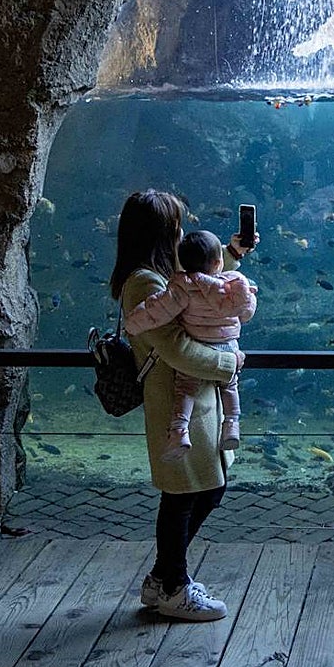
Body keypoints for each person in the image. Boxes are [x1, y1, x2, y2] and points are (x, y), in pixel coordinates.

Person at [109, 189, 258, 622]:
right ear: (160, 232)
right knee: (183, 495)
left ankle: (162, 579)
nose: (181, 232)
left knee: (202, 489)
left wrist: (231, 254)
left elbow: (197, 284)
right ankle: (173, 586)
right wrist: (229, 363)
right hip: (172, 401)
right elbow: (175, 348)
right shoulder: (144, 283)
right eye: (175, 225)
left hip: (195, 400)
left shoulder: (161, 273)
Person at [125, 229, 257, 462]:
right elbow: (243, 308)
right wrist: (249, 296)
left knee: (185, 389)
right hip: (228, 347)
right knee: (230, 386)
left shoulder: (182, 286)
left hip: (200, 347)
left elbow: (157, 310)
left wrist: (132, 324)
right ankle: (232, 425)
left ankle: (178, 431)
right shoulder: (233, 285)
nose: (181, 231)